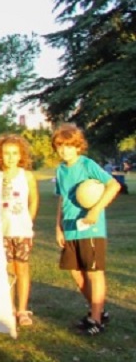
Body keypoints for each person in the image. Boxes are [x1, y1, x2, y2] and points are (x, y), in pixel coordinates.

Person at [52, 124, 122, 335]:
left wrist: (95, 210)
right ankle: (98, 310)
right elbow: (62, 199)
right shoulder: (61, 170)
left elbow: (114, 186)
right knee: (76, 273)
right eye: (60, 146)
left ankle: (96, 320)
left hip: (90, 228)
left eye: (69, 146)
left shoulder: (87, 164)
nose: (64, 150)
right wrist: (58, 227)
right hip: (71, 229)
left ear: (78, 147)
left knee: (94, 273)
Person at [0, 133, 39, 327]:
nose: (10, 157)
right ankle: (9, 307)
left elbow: (34, 199)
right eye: (6, 153)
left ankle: (22, 309)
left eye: (14, 153)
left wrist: (29, 220)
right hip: (2, 231)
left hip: (21, 231)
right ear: (0, 155)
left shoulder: (26, 176)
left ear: (21, 155)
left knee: (22, 268)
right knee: (7, 269)